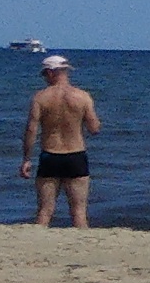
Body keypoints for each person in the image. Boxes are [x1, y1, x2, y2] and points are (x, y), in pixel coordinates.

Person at [23, 55, 99, 227]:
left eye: (44, 74)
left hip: (50, 155)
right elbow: (94, 129)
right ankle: (83, 242)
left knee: (45, 210)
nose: (44, 78)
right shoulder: (83, 96)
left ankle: (37, 240)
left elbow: (31, 130)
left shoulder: (40, 98)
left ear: (50, 73)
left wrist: (26, 159)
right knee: (79, 211)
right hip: (76, 155)